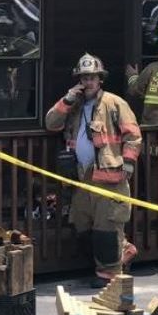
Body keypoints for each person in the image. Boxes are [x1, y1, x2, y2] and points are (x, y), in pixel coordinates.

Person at [46, 53, 142, 288]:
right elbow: (51, 123)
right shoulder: (74, 105)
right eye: (83, 77)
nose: (87, 82)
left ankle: (109, 274)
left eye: (92, 77)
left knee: (107, 227)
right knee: (82, 225)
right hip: (81, 177)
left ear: (100, 79)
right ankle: (125, 250)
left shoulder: (114, 103)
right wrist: (67, 99)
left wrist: (128, 162)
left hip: (110, 177)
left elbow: (133, 135)